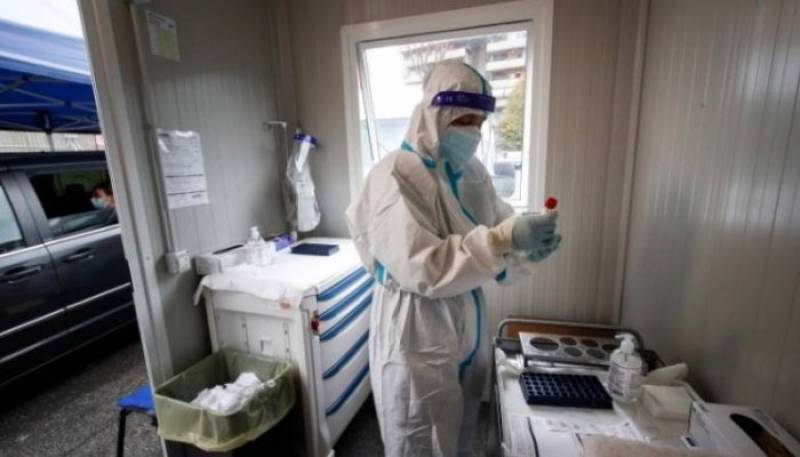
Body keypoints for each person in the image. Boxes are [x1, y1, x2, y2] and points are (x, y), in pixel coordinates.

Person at [346, 61, 562, 457]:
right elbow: (424, 268)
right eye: (464, 120)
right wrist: (502, 239)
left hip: (465, 316)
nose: (474, 132)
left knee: (460, 423)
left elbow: (496, 225)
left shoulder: (470, 171)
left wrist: (524, 245)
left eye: (480, 122)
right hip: (415, 327)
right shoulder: (396, 176)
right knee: (417, 429)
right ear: (435, 113)